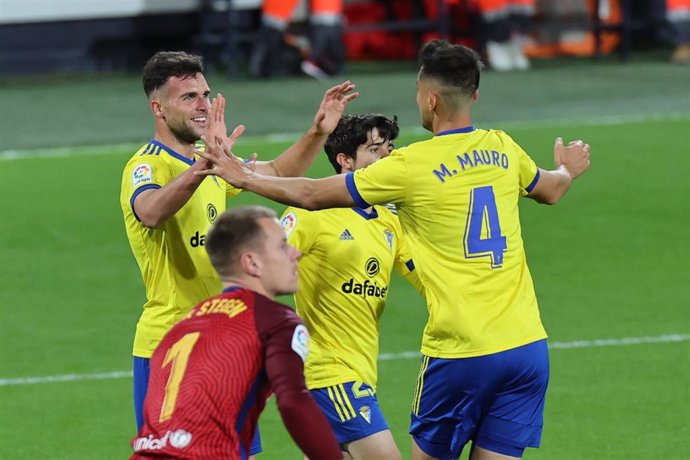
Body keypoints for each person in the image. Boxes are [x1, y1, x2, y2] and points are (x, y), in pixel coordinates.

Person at [194, 39, 591, 460]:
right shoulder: (503, 148)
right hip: (527, 348)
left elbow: (311, 193)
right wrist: (568, 166)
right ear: (474, 94)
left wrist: (242, 175)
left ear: (431, 98)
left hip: (462, 351)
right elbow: (550, 189)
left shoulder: (409, 166)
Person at [119, 49, 358, 451]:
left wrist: (318, 131)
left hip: (227, 343)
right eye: (189, 97)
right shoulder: (146, 166)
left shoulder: (212, 163)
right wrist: (204, 165)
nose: (203, 106)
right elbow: (151, 212)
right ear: (158, 108)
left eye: (206, 94)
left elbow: (280, 172)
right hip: (170, 346)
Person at [130, 206, 342, 460]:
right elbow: (293, 402)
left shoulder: (182, 327)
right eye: (282, 246)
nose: (295, 253)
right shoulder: (274, 321)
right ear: (251, 262)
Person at [280, 114, 422, 460]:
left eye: (389, 148)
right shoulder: (311, 212)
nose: (386, 157)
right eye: (374, 149)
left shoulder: (389, 221)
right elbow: (260, 260)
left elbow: (428, 279)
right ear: (344, 161)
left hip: (361, 370)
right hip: (328, 373)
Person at [249, 0, 345, 79]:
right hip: (277, 18)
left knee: (331, 44)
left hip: (279, 18)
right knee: (267, 45)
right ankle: (313, 61)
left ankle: (315, 62)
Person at [476, 0, 536, 71]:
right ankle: (498, 52)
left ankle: (515, 53)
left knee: (518, 23)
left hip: (517, 7)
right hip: (494, 8)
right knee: (497, 23)